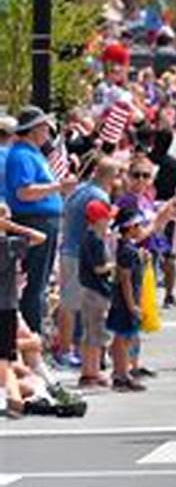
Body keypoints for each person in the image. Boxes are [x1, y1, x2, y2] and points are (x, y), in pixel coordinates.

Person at [4, 107, 76, 335]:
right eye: (44, 127)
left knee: (41, 281)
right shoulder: (22, 155)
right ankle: (32, 333)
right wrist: (57, 187)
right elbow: (23, 192)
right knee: (35, 282)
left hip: (45, 220)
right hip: (34, 220)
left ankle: (34, 333)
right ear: (33, 130)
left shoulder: (33, 154)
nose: (48, 131)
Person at [56, 158, 120, 366]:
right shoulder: (99, 197)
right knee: (73, 304)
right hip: (80, 254)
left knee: (72, 303)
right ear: (110, 176)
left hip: (68, 249)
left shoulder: (80, 189)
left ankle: (73, 349)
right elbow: (102, 230)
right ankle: (66, 351)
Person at [2, 203, 48, 417]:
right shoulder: (9, 244)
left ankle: (13, 398)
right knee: (4, 359)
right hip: (5, 306)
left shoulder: (10, 243)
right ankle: (13, 400)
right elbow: (40, 237)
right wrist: (14, 227)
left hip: (8, 305)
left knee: (7, 360)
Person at [107, 208, 149, 392]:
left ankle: (120, 372)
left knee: (122, 337)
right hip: (125, 302)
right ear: (130, 228)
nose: (141, 228)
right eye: (138, 225)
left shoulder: (127, 249)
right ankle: (122, 374)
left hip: (123, 300)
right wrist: (132, 305)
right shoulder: (127, 251)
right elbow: (125, 279)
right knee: (124, 339)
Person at [77, 199, 115, 389]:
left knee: (95, 333)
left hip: (92, 290)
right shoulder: (94, 240)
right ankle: (89, 373)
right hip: (94, 291)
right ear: (98, 219)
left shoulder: (92, 238)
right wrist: (114, 266)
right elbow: (99, 268)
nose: (108, 222)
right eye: (106, 218)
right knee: (93, 333)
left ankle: (93, 370)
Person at [147, 129, 176, 307]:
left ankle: (149, 295)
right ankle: (170, 295)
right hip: (172, 211)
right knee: (172, 256)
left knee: (151, 254)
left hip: (149, 210)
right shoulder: (175, 165)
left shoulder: (146, 162)